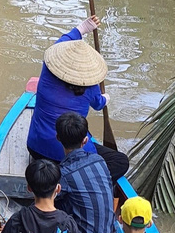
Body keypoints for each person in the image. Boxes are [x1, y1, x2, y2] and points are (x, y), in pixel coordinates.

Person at [26, 17, 129, 187]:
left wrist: (82, 29)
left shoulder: (48, 70)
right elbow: (98, 104)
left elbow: (61, 42)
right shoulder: (90, 85)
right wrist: (106, 98)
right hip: (69, 156)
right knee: (120, 161)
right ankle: (82, 183)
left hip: (36, 147)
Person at [55, 112, 115, 233]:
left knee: (51, 200)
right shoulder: (99, 160)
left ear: (58, 138)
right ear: (85, 140)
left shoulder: (63, 174)